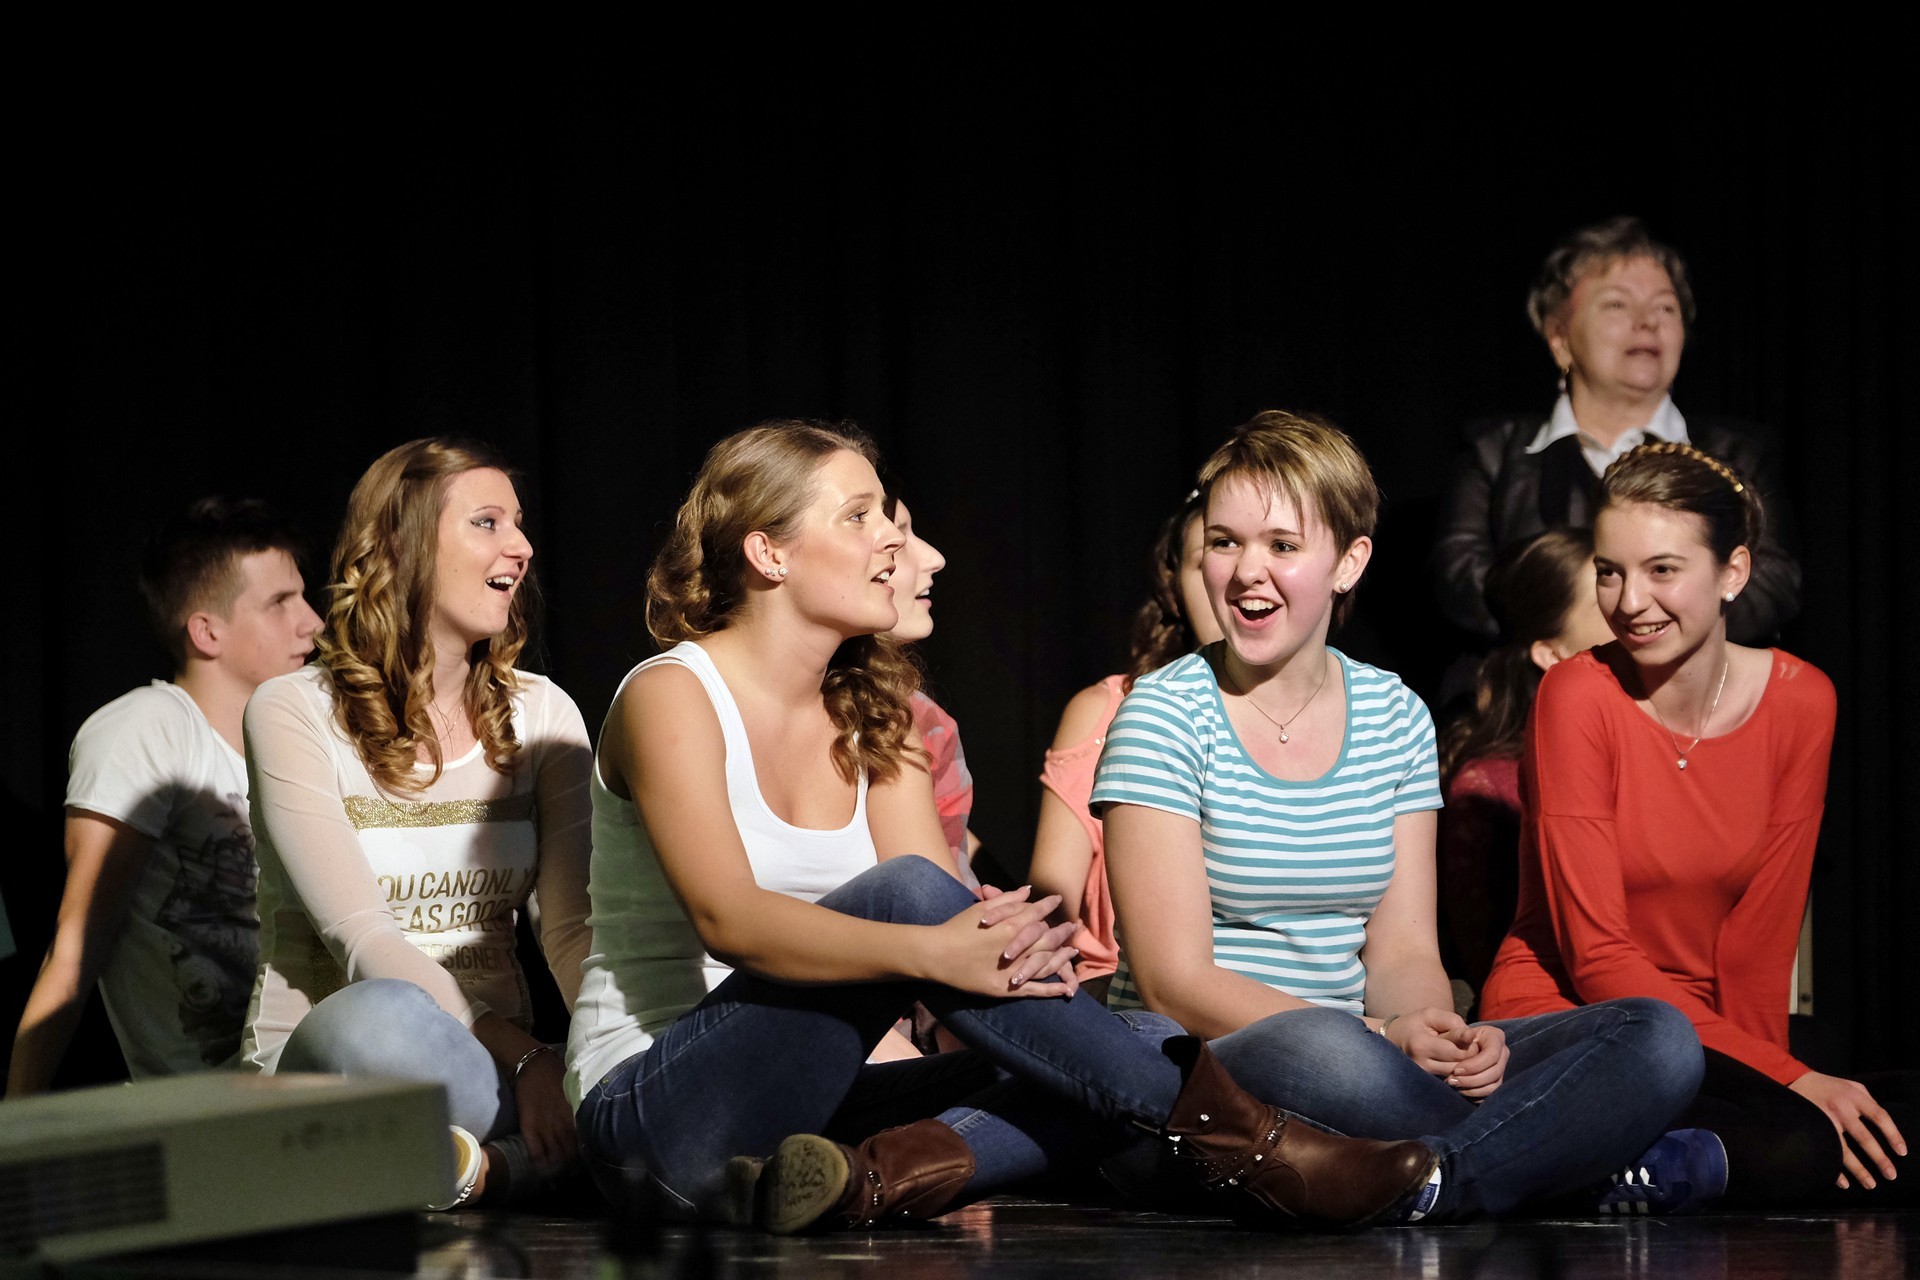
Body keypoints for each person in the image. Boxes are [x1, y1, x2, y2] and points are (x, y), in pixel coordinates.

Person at [565, 418, 1445, 1236]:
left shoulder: (879, 714)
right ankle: (1262, 1153)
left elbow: (953, 927)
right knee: (912, 898)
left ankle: (864, 1179)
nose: (894, 541)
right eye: (861, 516)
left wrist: (1004, 950)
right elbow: (732, 919)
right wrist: (936, 950)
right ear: (769, 552)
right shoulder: (672, 693)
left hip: (813, 1109)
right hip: (660, 1115)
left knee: (1138, 1040)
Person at [1094, 411, 1709, 1222]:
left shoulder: (1395, 714)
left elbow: (1406, 949)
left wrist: (1434, 1031)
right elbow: (1175, 984)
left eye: (1282, 545)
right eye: (1224, 542)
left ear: (1349, 563)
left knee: (1658, 1034)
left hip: (1374, 1054)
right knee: (1323, 1046)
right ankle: (1557, 1162)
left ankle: (1438, 1177)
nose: (1246, 572)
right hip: (1221, 1070)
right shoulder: (1163, 714)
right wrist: (1382, 1037)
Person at [1480, 441, 1916, 1210]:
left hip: (1714, 1033)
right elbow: (1596, 957)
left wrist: (1778, 1089)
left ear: (1733, 572)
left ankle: (1619, 1168)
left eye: (1662, 570)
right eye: (1610, 572)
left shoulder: (1803, 700)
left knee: (1876, 1121)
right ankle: (1595, 1163)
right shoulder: (1576, 696)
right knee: (1790, 1130)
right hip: (1588, 1022)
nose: (1630, 601)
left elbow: (1762, 941)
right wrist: (1789, 1086)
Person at [237, 437, 593, 1211]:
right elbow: (366, 943)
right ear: (400, 546)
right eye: (488, 522)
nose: (522, 547)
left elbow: (572, 932)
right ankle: (548, 1160)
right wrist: (533, 1062)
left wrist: (603, 1060)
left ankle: (481, 1167)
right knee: (384, 1019)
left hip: (494, 1078)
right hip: (353, 1061)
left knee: (641, 1059)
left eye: (519, 523)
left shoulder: (544, 713)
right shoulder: (293, 711)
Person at [7, 498, 321, 1096]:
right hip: (224, 1101)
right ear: (206, 631)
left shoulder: (303, 740)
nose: (313, 623)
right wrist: (18, 1122)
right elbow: (76, 947)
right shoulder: (148, 727)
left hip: (328, 1064)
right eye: (280, 602)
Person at [1430, 216, 1799, 675]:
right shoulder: (1493, 452)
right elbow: (1459, 580)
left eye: (1665, 308)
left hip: (1696, 697)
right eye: (1617, 305)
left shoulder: (1737, 454)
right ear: (1560, 338)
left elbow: (1774, 582)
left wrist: (1653, 635)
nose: (1647, 322)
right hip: (1527, 697)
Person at [1027, 487, 1223, 1000]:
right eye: (1213, 553)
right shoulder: (1109, 709)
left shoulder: (1361, 712)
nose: (1237, 577)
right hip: (1124, 1002)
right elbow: (1051, 907)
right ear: (1173, 586)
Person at [1434, 528, 1613, 1006]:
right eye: (1603, 598)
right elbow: (1486, 956)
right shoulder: (1490, 785)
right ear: (1551, 653)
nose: (1633, 607)